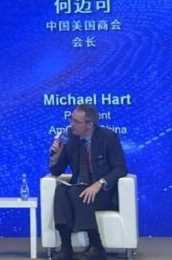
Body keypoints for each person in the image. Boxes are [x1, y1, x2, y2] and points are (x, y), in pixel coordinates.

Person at [48, 104, 127, 260]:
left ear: (90, 124)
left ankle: (96, 244)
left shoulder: (108, 137)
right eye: (71, 119)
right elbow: (56, 171)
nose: (71, 124)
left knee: (75, 191)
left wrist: (99, 184)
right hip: (78, 190)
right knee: (61, 191)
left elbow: (120, 169)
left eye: (76, 121)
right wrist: (55, 155)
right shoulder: (70, 138)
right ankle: (66, 247)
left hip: (102, 193)